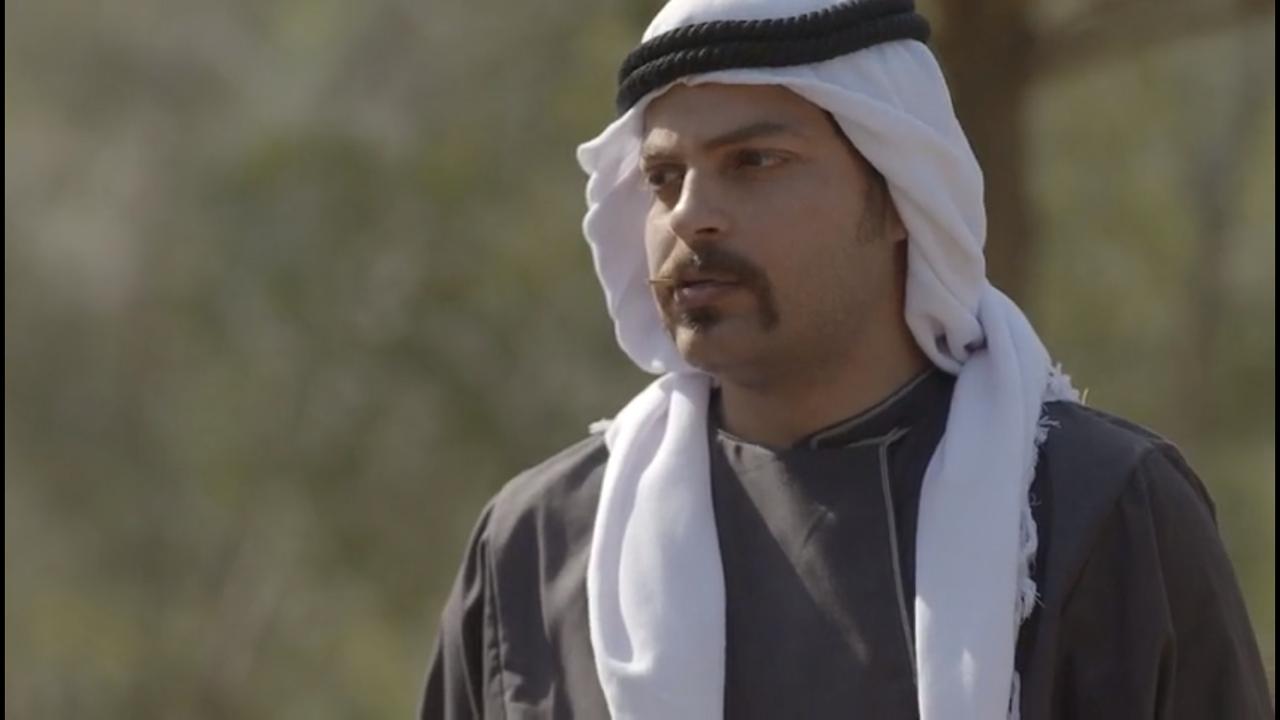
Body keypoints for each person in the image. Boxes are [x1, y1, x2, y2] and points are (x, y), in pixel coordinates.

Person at [420, 0, 1272, 717]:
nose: (690, 215)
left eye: (755, 162)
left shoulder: (1096, 511)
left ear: (900, 194)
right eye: (664, 178)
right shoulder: (539, 546)